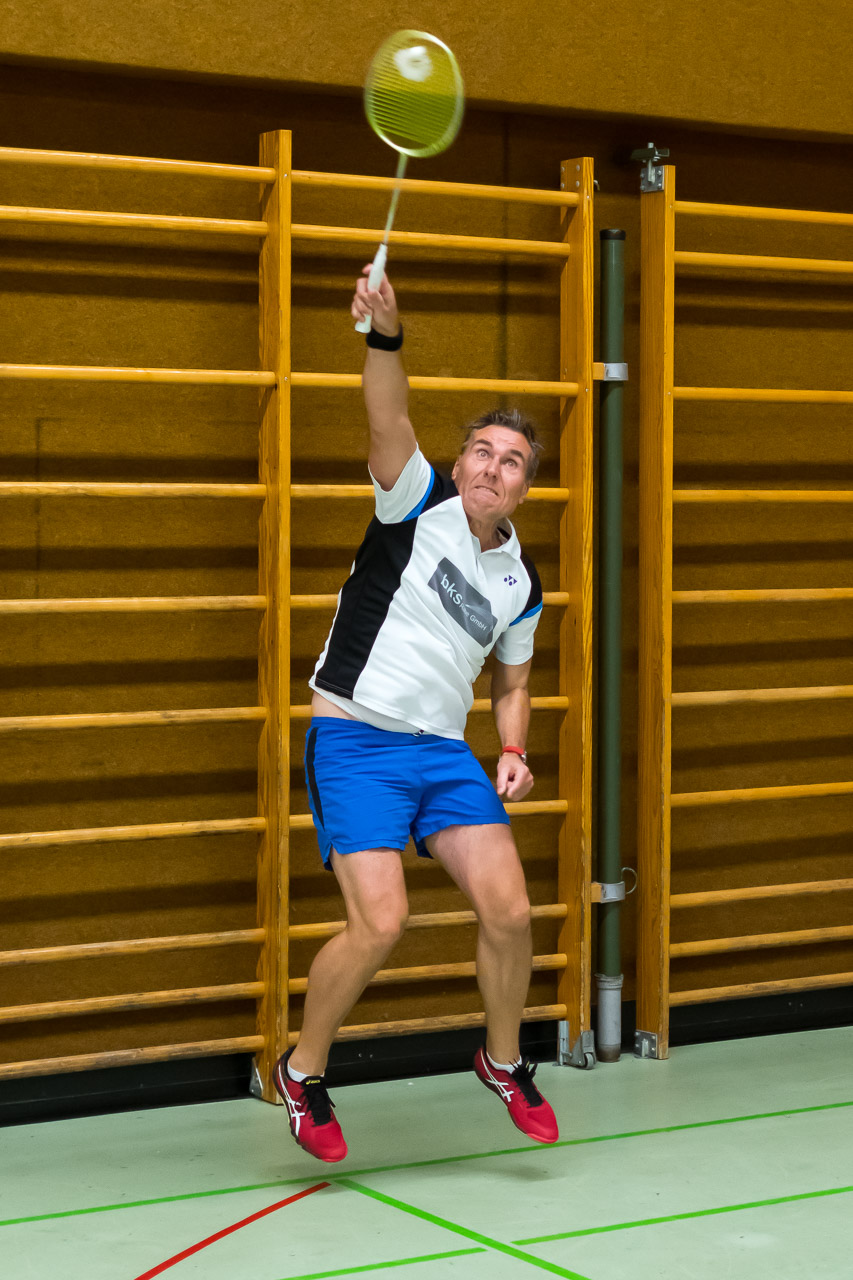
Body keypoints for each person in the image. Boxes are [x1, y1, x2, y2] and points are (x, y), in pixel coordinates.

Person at [274, 266, 559, 1163]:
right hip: (354, 739)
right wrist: (384, 335)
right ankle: (302, 1072)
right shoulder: (415, 501)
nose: (491, 467)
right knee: (381, 923)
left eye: (510, 462)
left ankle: (502, 1062)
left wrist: (511, 745)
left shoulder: (520, 582)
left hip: (440, 753)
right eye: (481, 451)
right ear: (459, 461)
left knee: (510, 910)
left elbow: (512, 682)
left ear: (523, 488)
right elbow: (385, 414)